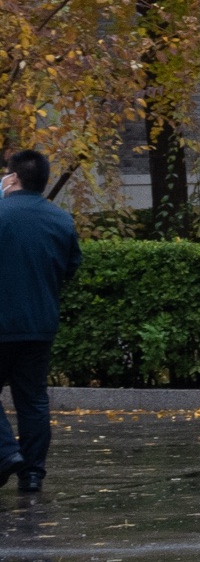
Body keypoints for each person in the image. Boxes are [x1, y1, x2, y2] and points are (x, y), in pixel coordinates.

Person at [0, 149, 79, 496]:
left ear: (13, 178)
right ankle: (32, 475)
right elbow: (70, 268)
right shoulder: (61, 220)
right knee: (33, 399)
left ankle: (6, 453)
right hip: (41, 324)